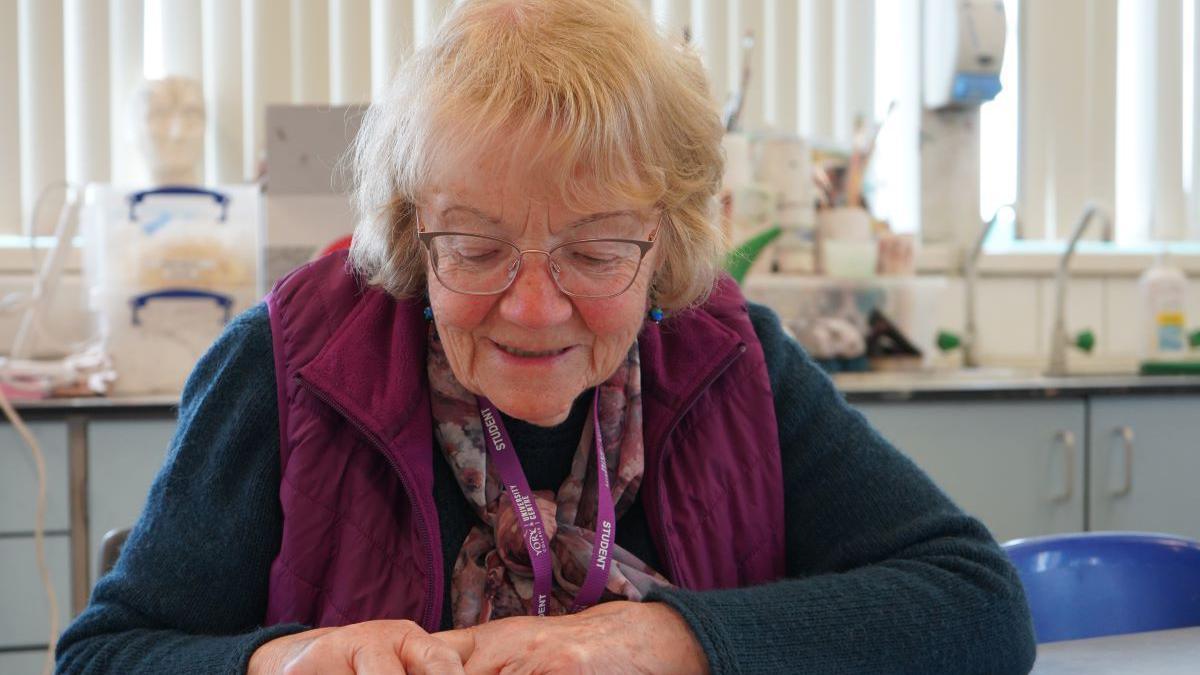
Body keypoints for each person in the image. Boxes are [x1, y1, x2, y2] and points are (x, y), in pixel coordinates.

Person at [57, 1, 1036, 672]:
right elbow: (105, 654)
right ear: (410, 233)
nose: (533, 307)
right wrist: (277, 660)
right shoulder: (286, 366)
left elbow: (978, 604)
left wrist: (665, 643)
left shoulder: (733, 363)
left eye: (597, 251)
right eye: (476, 249)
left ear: (669, 245)